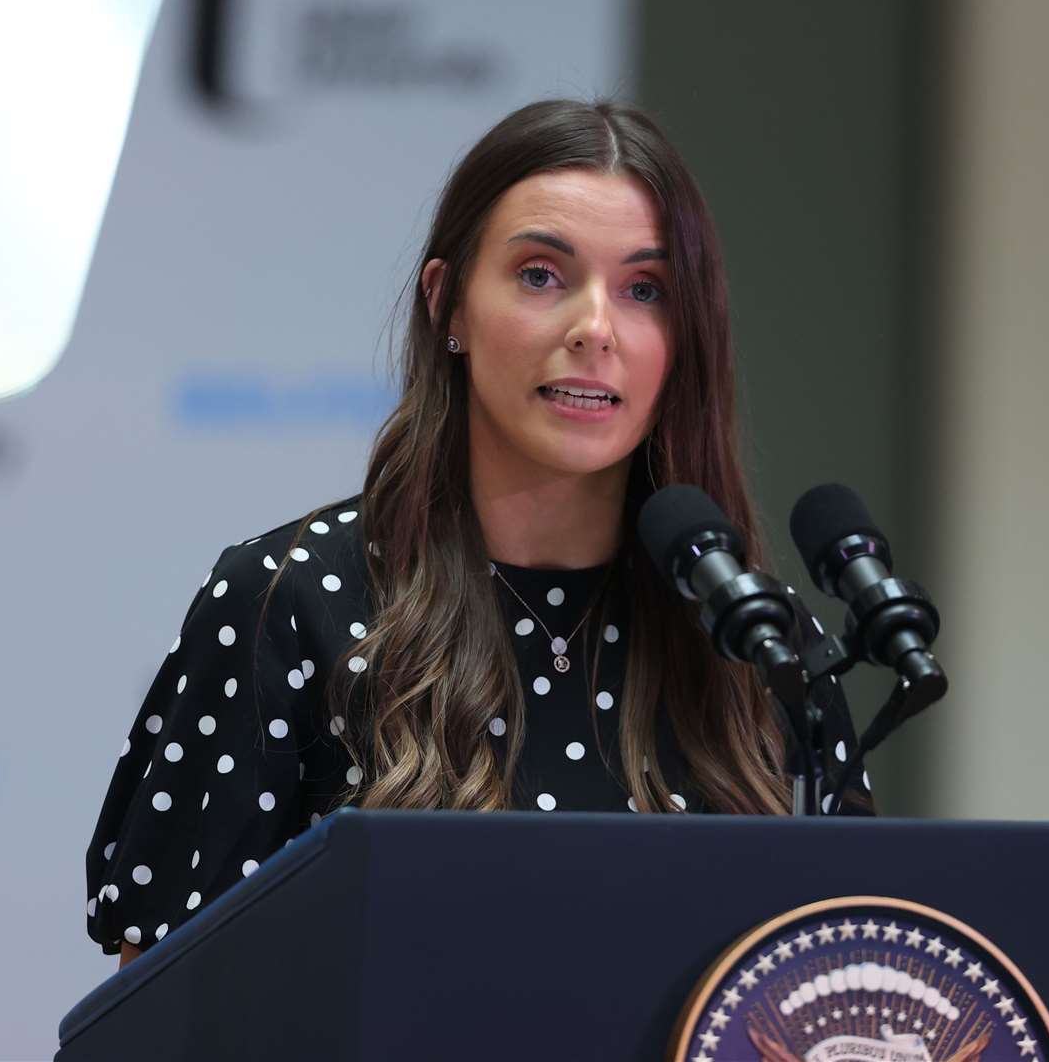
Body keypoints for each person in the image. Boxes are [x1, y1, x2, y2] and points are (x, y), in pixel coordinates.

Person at [84, 98, 874, 971]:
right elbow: (160, 1013)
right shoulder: (291, 598)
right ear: (446, 305)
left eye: (644, 290)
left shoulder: (759, 646)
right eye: (541, 275)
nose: (595, 328)